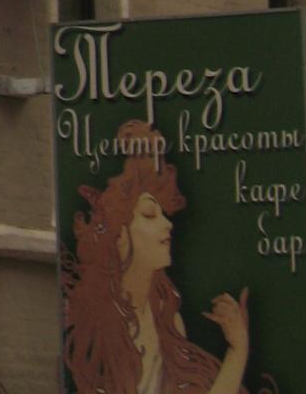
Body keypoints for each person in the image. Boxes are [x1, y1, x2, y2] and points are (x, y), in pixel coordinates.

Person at [62, 122, 252, 394]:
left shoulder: (165, 318)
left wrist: (238, 347)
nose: (168, 224)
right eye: (150, 215)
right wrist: (237, 351)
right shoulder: (103, 326)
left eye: (163, 214)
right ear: (119, 237)